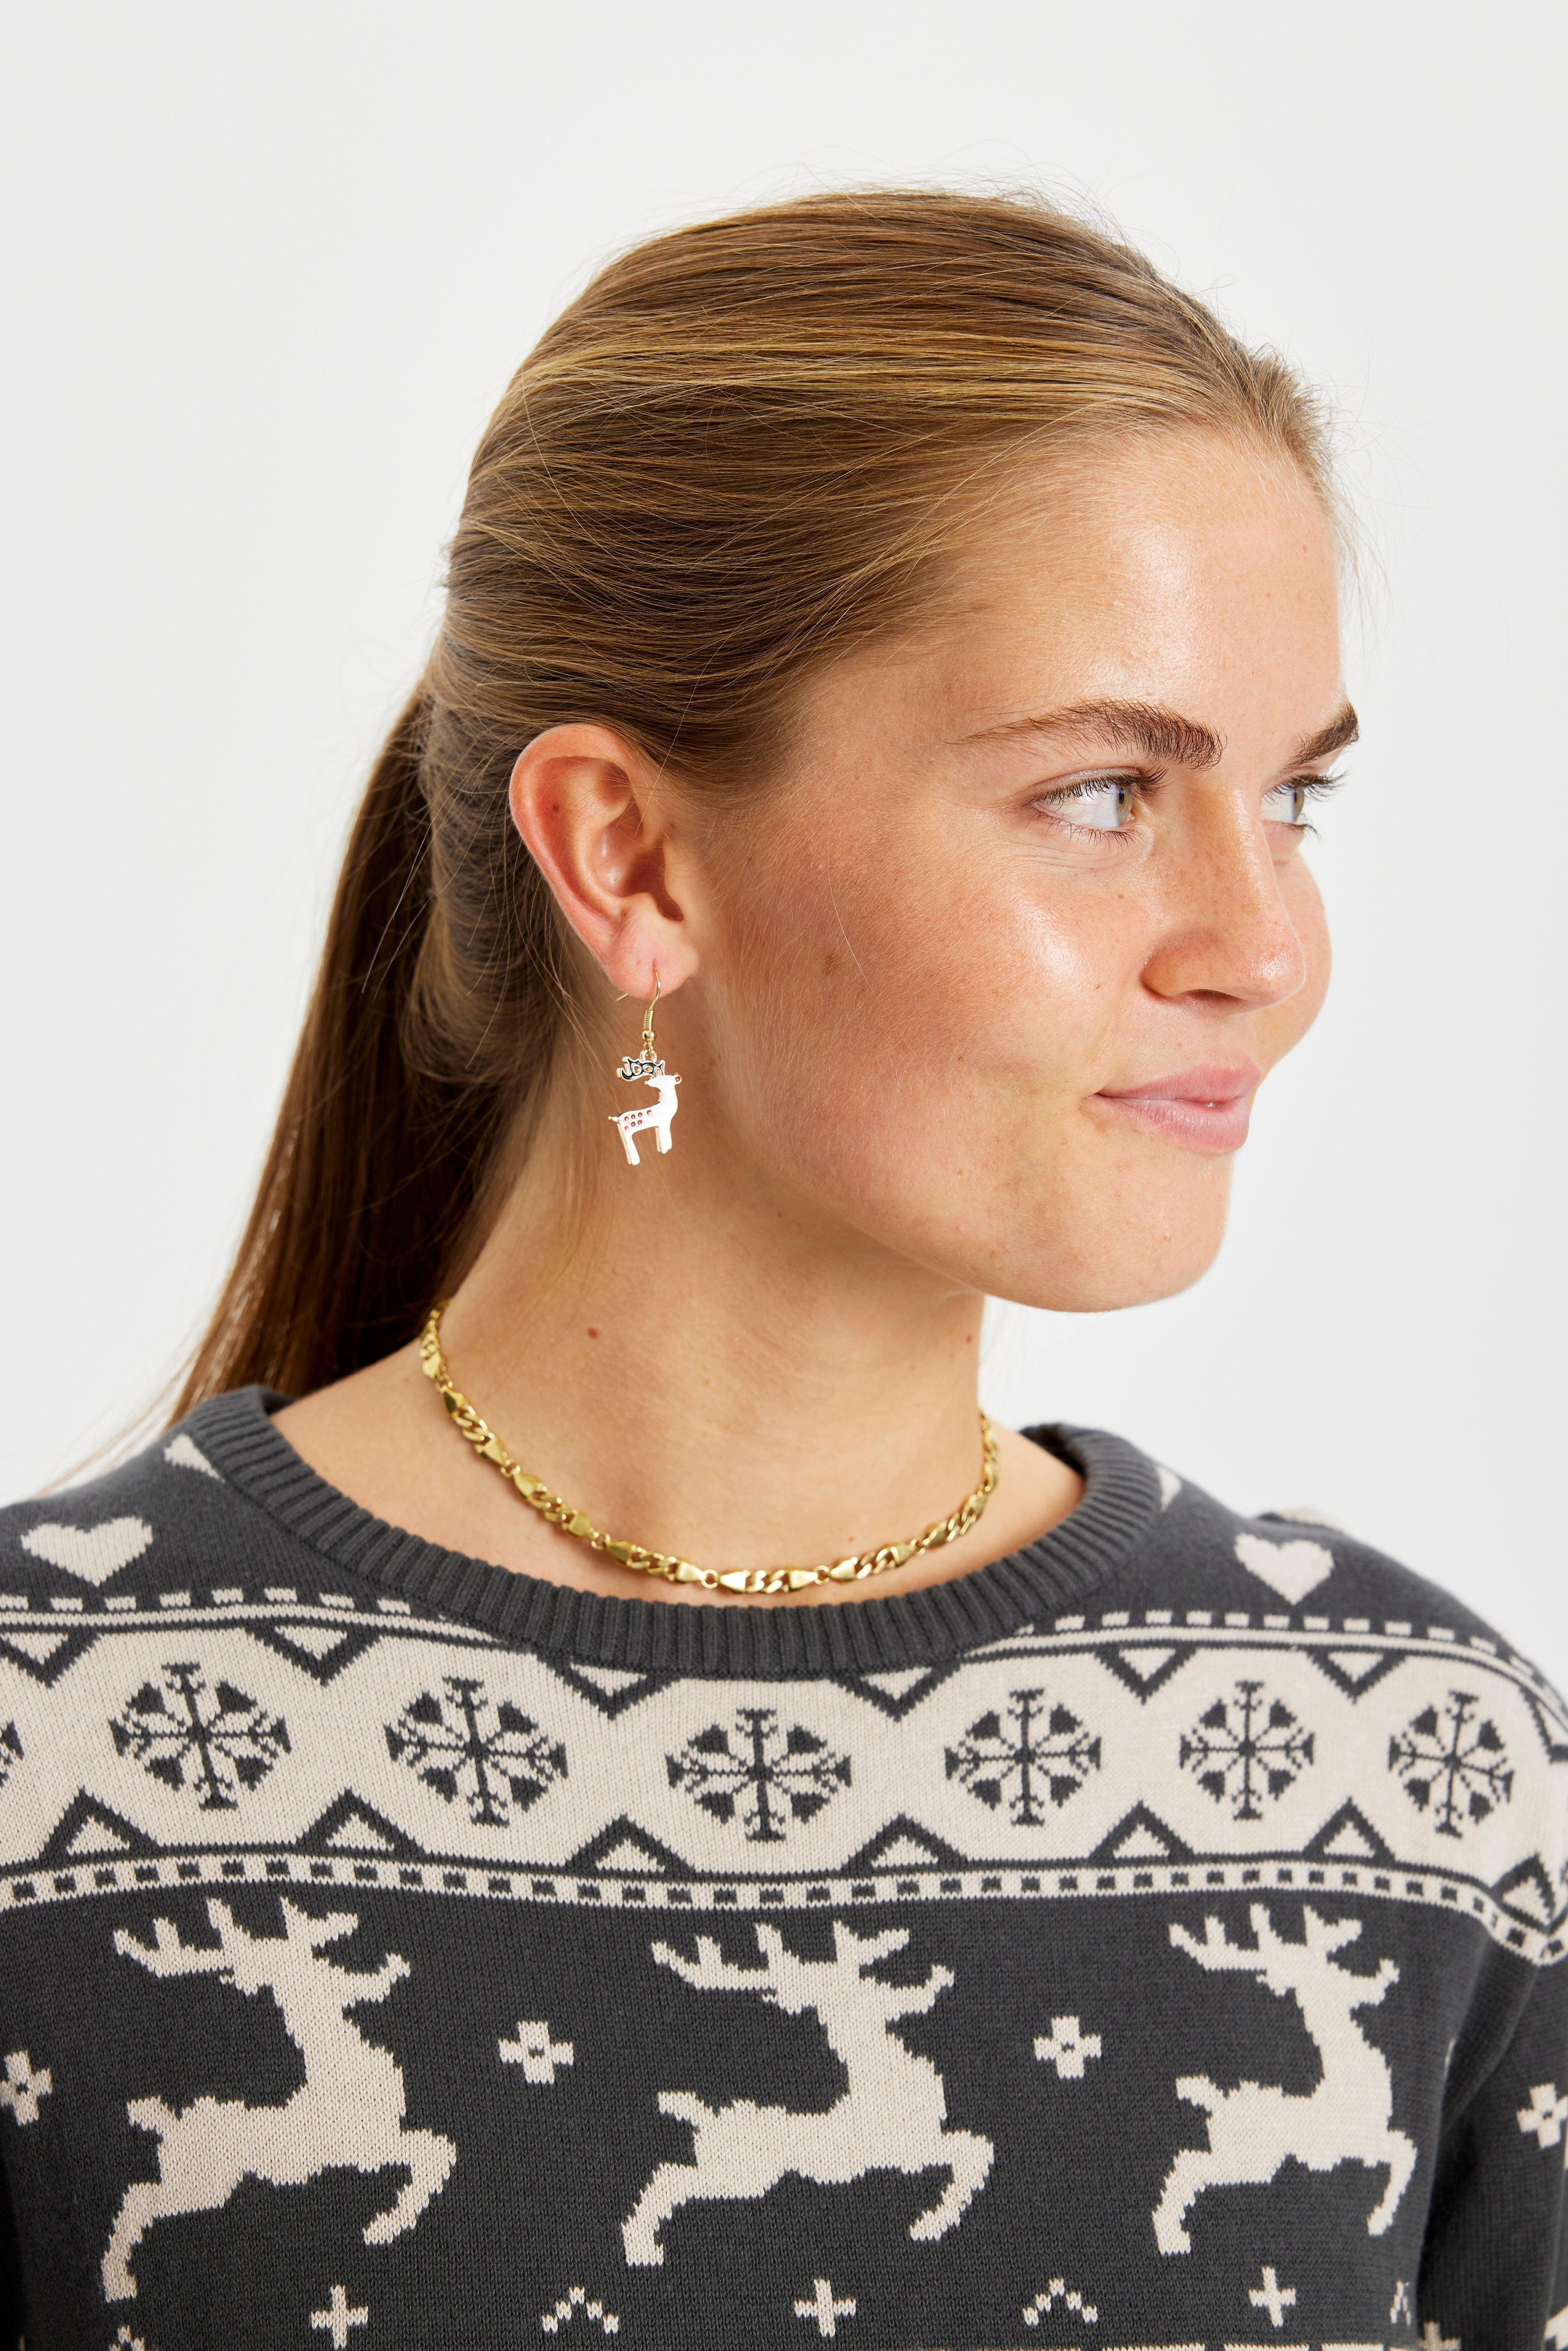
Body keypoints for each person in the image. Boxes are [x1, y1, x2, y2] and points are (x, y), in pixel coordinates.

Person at [1, 190, 1560, 2351]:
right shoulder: (40, 1757)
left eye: (1299, 799)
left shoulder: (1419, 1782)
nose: (1268, 949)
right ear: (630, 857)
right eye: (1105, 792)